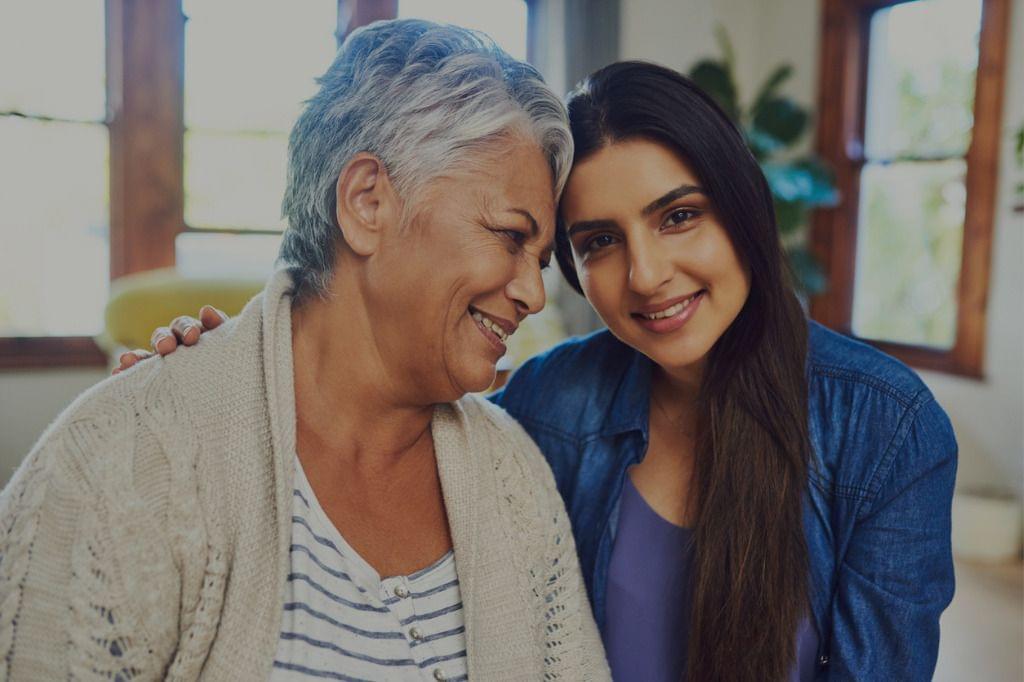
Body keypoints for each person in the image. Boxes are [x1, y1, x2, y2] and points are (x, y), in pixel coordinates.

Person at [122, 62, 958, 681]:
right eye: (599, 242)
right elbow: (377, 409)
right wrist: (220, 371)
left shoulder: (885, 428)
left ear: (740, 205)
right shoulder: (549, 402)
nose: (647, 275)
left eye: (679, 216)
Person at [0, 20, 610, 681]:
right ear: (367, 202)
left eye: (542, 259)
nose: (532, 293)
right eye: (510, 236)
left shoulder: (516, 479)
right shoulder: (128, 458)